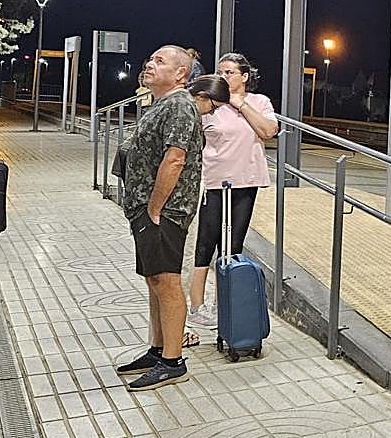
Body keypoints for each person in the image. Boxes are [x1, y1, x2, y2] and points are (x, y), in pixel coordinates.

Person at [114, 48, 226, 391]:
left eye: (160, 61)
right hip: (149, 209)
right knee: (154, 280)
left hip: (164, 211)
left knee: (166, 280)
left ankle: (173, 361)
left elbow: (175, 159)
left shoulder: (179, 105)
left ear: (181, 74)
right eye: (150, 59)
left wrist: (156, 208)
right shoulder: (161, 103)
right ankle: (158, 349)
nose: (150, 63)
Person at [185, 52, 278, 336]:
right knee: (205, 245)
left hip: (246, 181)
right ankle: (196, 307)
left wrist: (241, 104)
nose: (224, 77)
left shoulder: (260, 102)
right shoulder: (210, 102)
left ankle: (225, 304)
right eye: (221, 72)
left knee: (233, 246)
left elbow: (269, 131)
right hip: (214, 183)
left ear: (245, 77)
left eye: (230, 72)